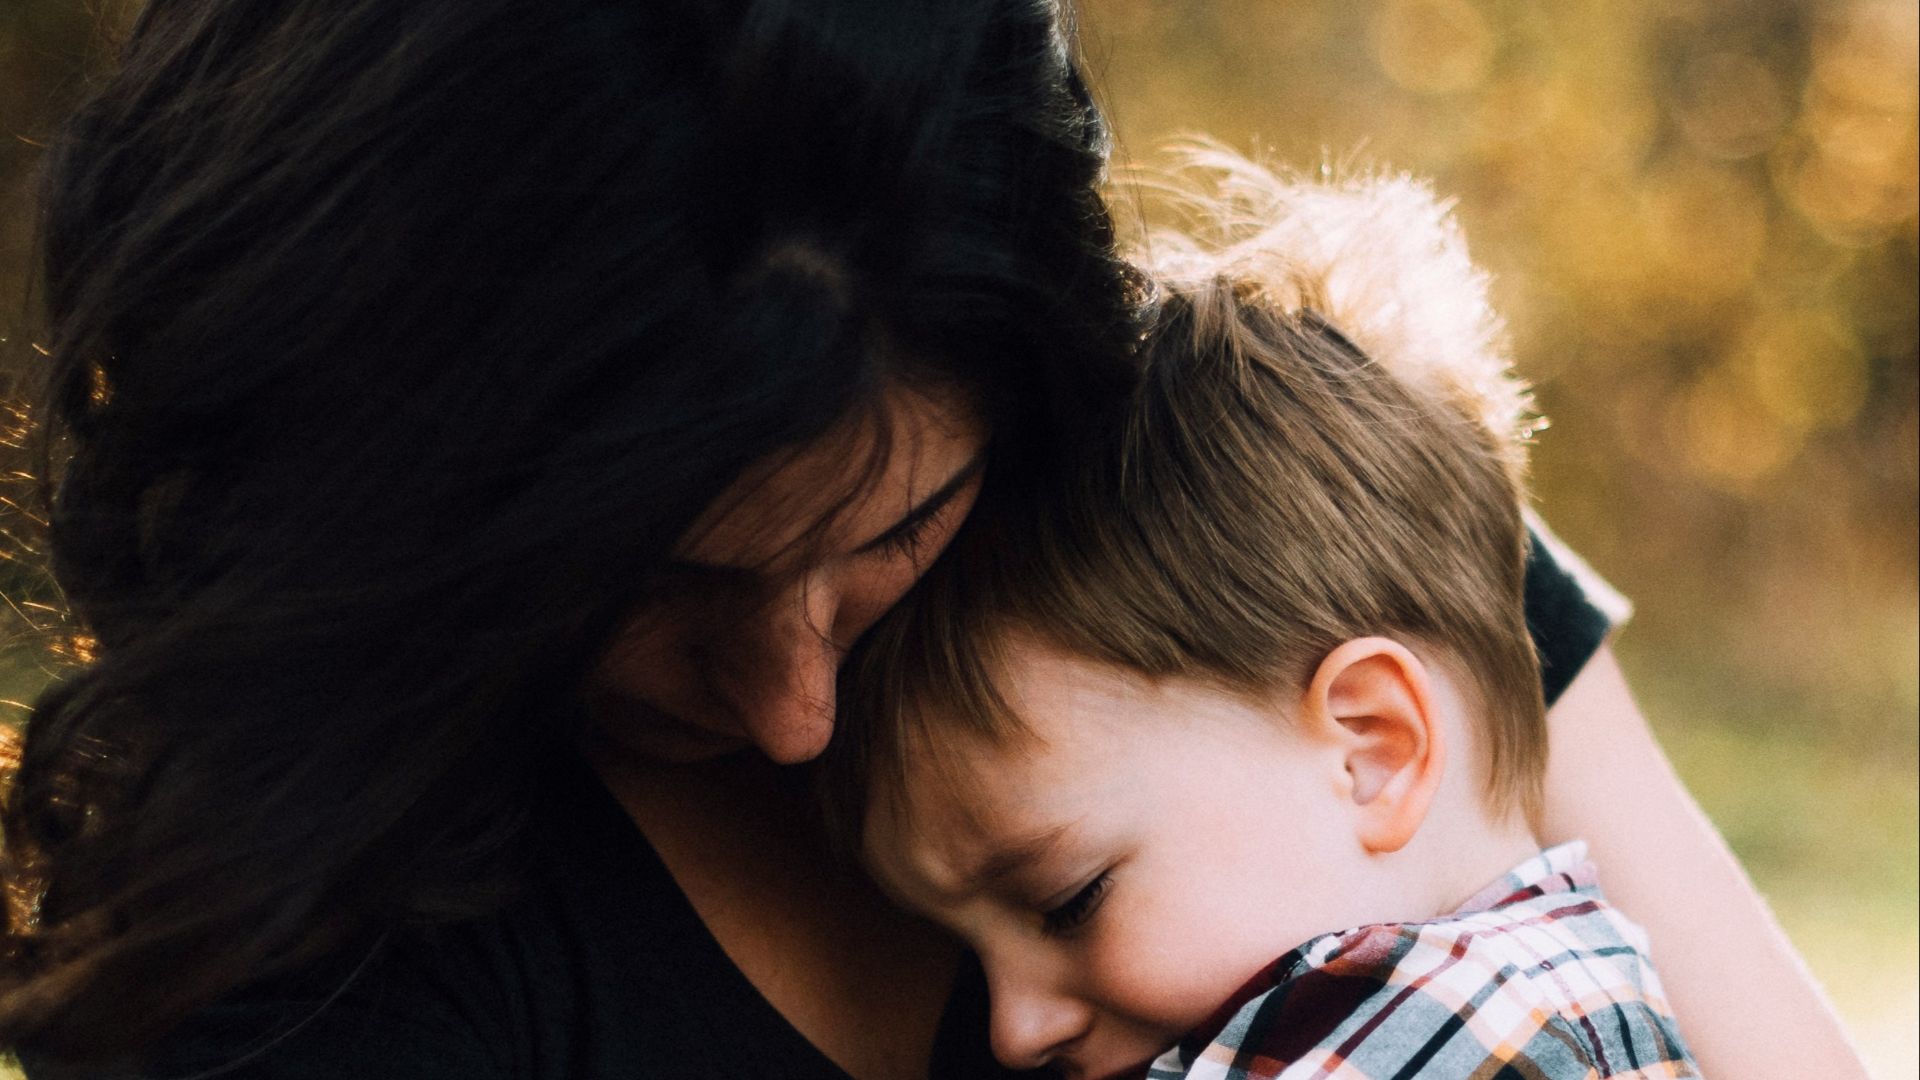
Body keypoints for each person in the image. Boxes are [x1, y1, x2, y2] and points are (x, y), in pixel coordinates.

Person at [0, 1, 1862, 1078]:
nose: (798, 705)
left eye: (897, 530)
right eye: (651, 585)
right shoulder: (327, 975)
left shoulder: (1249, 516)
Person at [821, 163, 1699, 1078]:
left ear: (1373, 751)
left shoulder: (1437, 1042)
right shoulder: (1551, 997)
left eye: (1070, 901)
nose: (1015, 1031)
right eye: (970, 952)